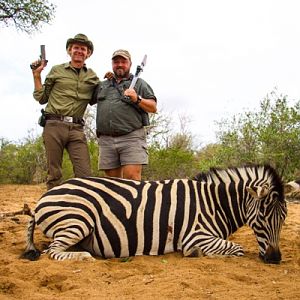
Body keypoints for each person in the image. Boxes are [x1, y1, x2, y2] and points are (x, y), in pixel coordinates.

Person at [31, 33, 99, 190]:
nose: (79, 51)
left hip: (76, 128)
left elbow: (98, 97)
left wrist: (109, 78)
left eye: (83, 49)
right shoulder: (57, 71)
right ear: (69, 50)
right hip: (54, 124)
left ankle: (82, 209)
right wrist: (36, 75)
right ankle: (51, 210)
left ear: (88, 54)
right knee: (54, 174)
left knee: (85, 174)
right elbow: (41, 98)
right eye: (76, 48)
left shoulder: (92, 76)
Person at [94, 49, 157, 181]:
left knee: (132, 181)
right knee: (111, 185)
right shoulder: (103, 85)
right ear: (112, 64)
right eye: (116, 62)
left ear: (130, 64)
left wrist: (137, 99)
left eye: (123, 61)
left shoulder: (139, 83)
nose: (120, 64)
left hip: (131, 138)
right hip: (106, 140)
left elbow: (153, 107)